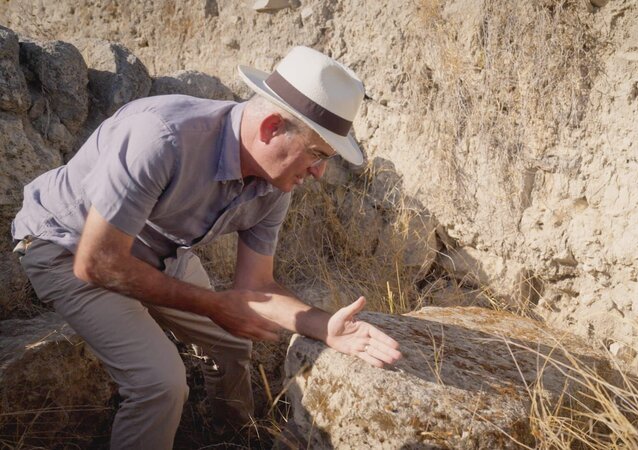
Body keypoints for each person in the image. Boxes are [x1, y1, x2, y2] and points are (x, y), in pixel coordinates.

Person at [10, 46, 402, 449]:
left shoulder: (275, 184)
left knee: (233, 342)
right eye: (318, 154)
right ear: (270, 128)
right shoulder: (162, 136)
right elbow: (97, 262)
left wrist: (326, 326)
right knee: (160, 384)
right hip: (66, 245)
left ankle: (232, 438)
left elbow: (258, 287)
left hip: (156, 250)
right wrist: (213, 305)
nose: (320, 172)